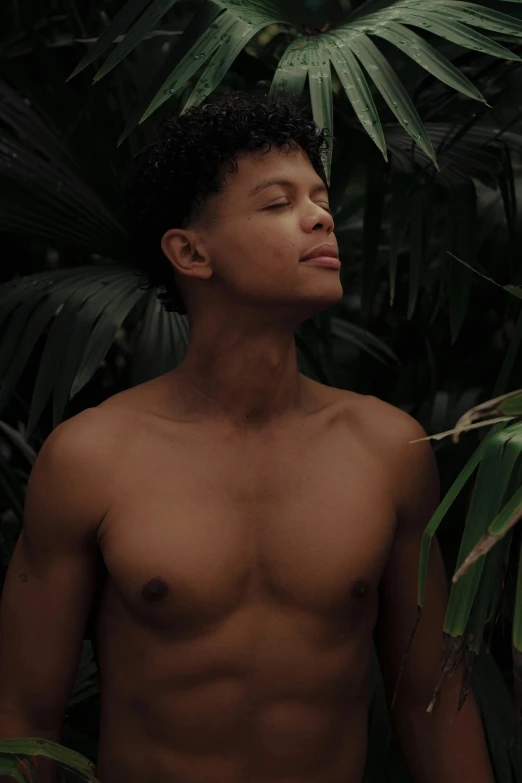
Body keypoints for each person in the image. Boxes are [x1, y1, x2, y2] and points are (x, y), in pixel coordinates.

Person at [0, 91, 494, 783]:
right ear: (191, 251)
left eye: (319, 197)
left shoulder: (387, 449)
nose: (322, 216)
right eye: (277, 203)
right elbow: (22, 718)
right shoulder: (92, 458)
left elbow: (433, 701)